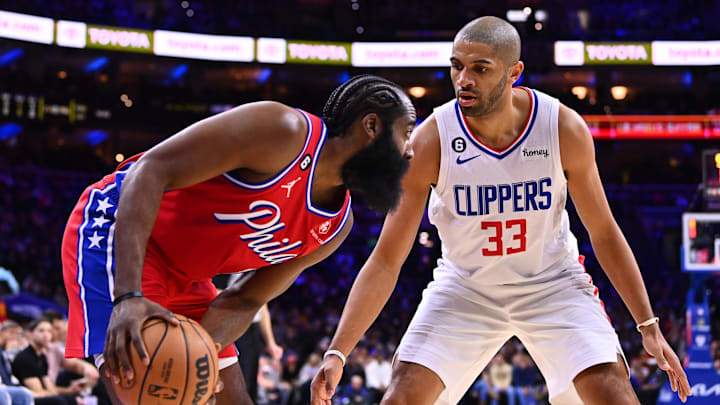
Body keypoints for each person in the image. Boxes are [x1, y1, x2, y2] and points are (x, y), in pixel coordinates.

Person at [311, 17, 692, 405]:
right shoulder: (432, 139)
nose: (464, 79)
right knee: (401, 397)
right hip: (465, 287)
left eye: (480, 68)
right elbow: (387, 259)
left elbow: (605, 232)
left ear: (514, 73)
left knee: (615, 394)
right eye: (457, 66)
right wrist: (338, 352)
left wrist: (648, 326)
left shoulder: (561, 128)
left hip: (552, 283)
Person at [61, 75, 416, 405]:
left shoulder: (335, 227)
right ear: (371, 126)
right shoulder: (282, 132)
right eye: (407, 132)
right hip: (118, 230)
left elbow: (246, 299)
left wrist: (200, 351)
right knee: (147, 389)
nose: (411, 150)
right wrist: (128, 295)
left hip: (188, 277)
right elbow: (149, 170)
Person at [11, 319, 86, 405]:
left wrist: (69, 391)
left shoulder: (42, 356)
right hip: (27, 398)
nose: (46, 335)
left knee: (75, 398)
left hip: (41, 395)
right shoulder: (25, 358)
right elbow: (39, 392)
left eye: (49, 331)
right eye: (41, 331)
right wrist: (62, 395)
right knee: (59, 401)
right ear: (30, 334)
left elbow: (49, 386)